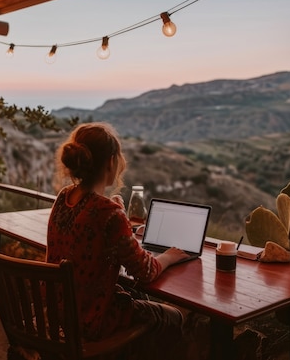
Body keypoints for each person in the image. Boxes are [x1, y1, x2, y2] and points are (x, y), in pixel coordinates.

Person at [46, 122, 190, 359]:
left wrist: (116, 210)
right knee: (172, 317)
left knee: (137, 298)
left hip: (60, 313)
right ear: (111, 162)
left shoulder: (64, 197)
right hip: (91, 320)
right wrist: (169, 257)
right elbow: (145, 270)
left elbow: (90, 227)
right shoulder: (109, 213)